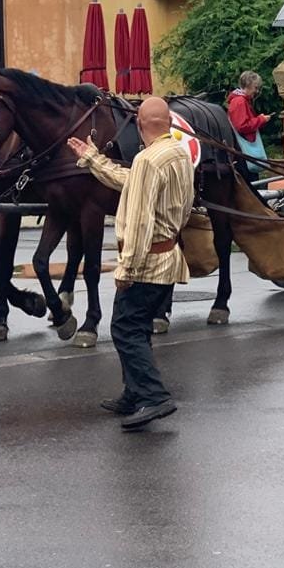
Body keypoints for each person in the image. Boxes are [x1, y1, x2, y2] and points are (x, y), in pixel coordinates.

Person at [68, 97, 195, 431]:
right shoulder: (177, 153)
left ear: (139, 125)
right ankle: (133, 392)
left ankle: (154, 396)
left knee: (124, 330)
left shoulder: (148, 161)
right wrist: (93, 159)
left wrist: (126, 269)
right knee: (136, 328)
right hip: (166, 256)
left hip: (146, 261)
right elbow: (132, 182)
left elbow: (138, 221)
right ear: (168, 123)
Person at [227, 71, 273, 175]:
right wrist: (261, 120)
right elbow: (242, 126)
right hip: (244, 153)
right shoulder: (240, 102)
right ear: (248, 85)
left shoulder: (240, 100)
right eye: (255, 87)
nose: (256, 91)